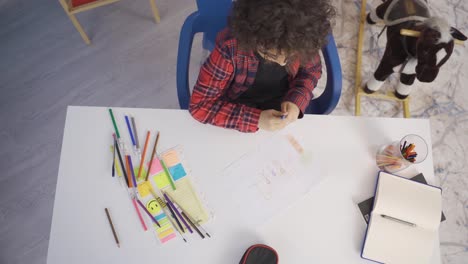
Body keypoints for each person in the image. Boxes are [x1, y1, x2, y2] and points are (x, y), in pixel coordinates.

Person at [189, 0, 335, 133]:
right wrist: (256, 119)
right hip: (237, 106)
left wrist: (296, 101)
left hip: (282, 101)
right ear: (253, 37)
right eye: (271, 55)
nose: (282, 62)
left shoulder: (301, 39)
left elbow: (311, 71)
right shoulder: (230, 49)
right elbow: (199, 106)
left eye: (290, 56)